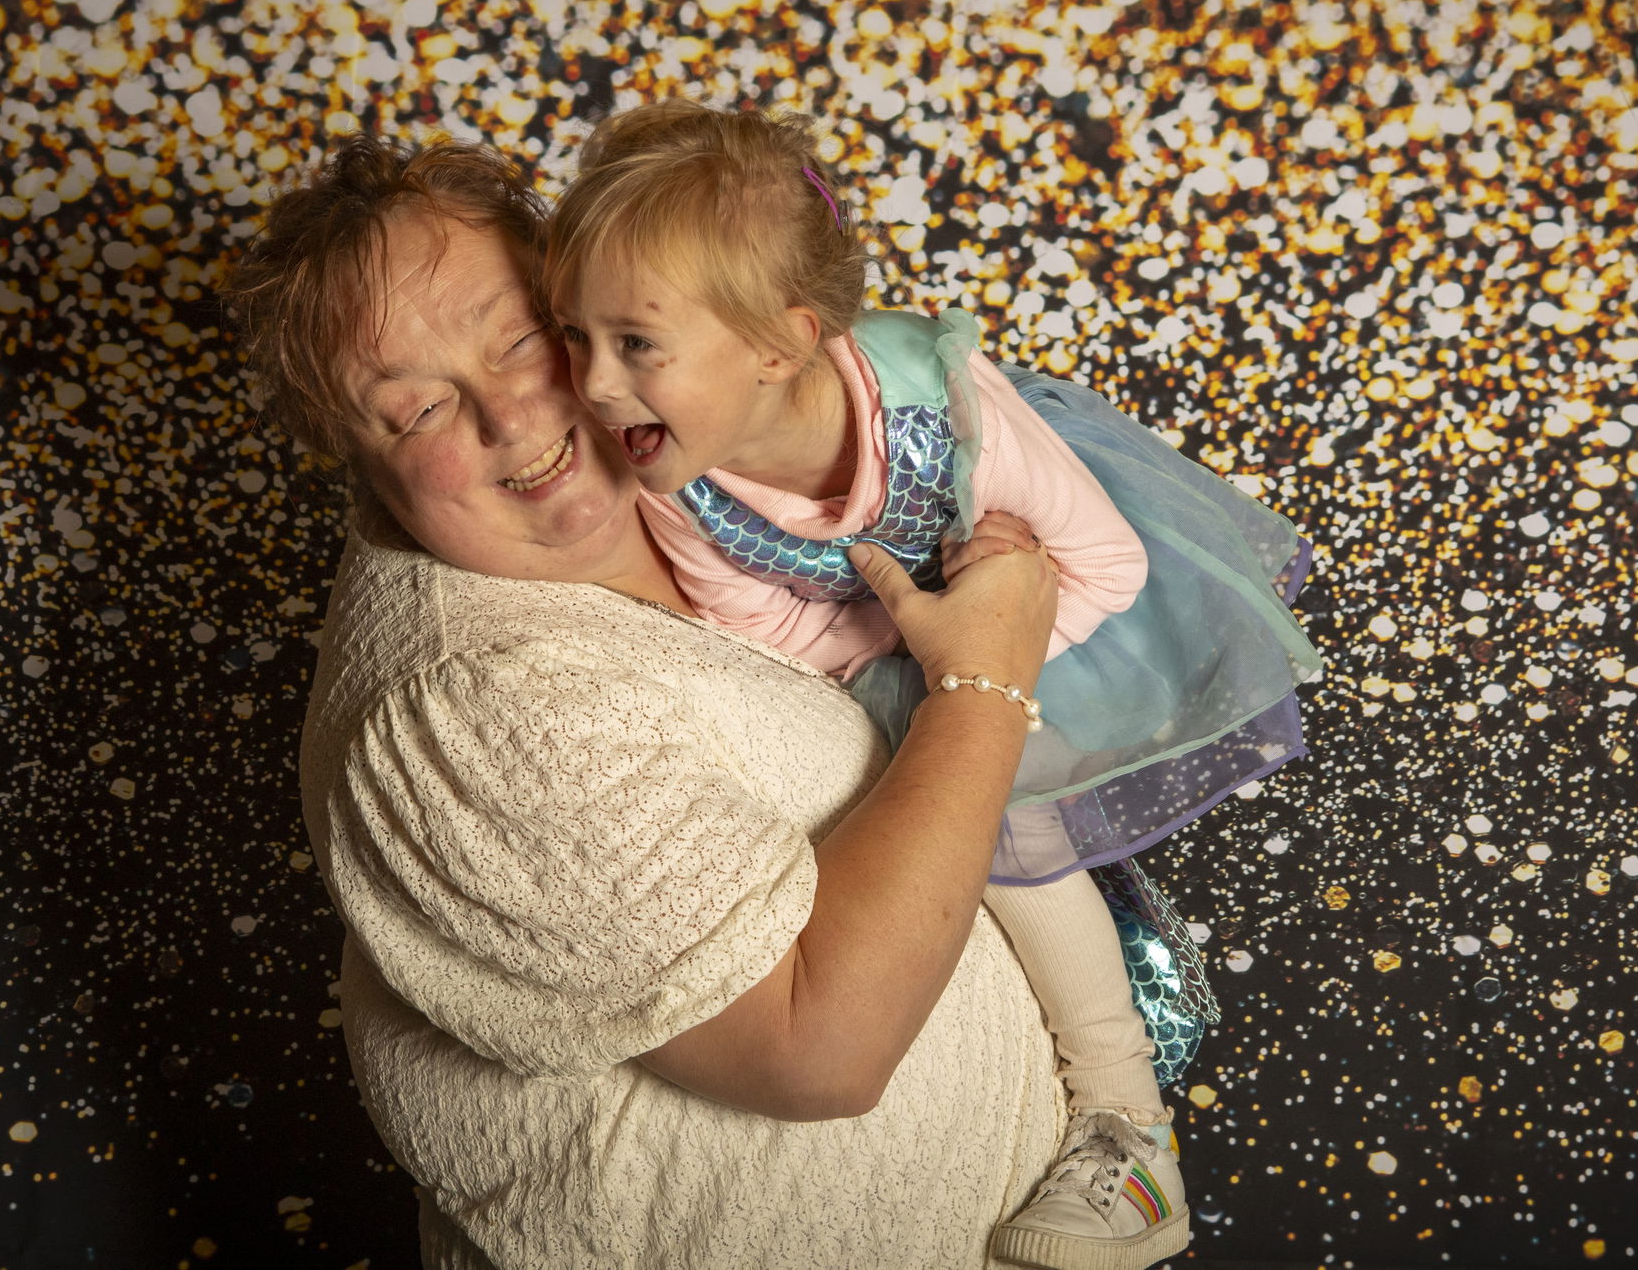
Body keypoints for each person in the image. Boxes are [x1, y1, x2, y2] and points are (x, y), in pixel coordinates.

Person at [226, 132, 1082, 1268]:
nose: (513, 419)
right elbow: (814, 1050)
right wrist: (983, 685)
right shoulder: (470, 705)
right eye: (419, 411)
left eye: (523, 339)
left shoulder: (695, 486)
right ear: (356, 459)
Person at [545, 98, 1322, 1269]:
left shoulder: (945, 412)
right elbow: (756, 620)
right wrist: (895, 665)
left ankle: (1133, 1133)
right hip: (894, 666)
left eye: (636, 343)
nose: (594, 387)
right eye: (573, 336)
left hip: (1053, 632)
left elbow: (1104, 566)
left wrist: (968, 676)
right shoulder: (670, 477)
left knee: (1017, 841)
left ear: (781, 342)